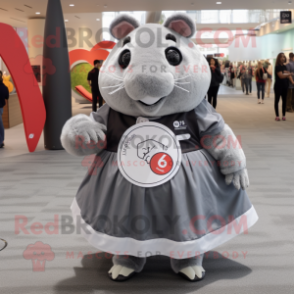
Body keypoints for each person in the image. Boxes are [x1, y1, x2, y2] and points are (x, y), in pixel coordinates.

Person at [274, 52, 294, 121]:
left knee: (284, 101)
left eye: (284, 57)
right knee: (277, 100)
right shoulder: (277, 67)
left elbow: (285, 72)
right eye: (282, 57)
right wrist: (289, 74)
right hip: (278, 86)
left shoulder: (284, 66)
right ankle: (277, 116)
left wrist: (289, 73)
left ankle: (284, 115)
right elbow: (281, 76)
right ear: (279, 58)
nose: (283, 58)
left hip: (285, 86)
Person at [0, 71, 10, 148]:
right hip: (1, 107)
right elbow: (7, 97)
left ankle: (1, 141)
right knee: (0, 124)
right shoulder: (4, 87)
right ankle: (2, 140)